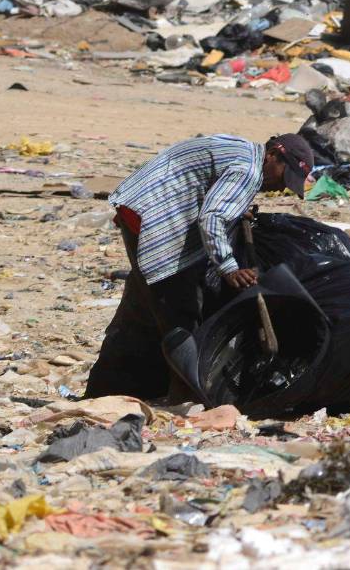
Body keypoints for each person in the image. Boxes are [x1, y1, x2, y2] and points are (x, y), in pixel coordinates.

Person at [84, 133, 314, 399]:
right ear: (274, 154)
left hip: (141, 202)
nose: (277, 186)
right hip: (155, 215)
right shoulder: (249, 170)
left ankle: (107, 388)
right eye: (282, 176)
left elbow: (212, 190)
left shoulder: (243, 150)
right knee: (180, 310)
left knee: (144, 305)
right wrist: (229, 268)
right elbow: (213, 215)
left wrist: (237, 208)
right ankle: (187, 395)